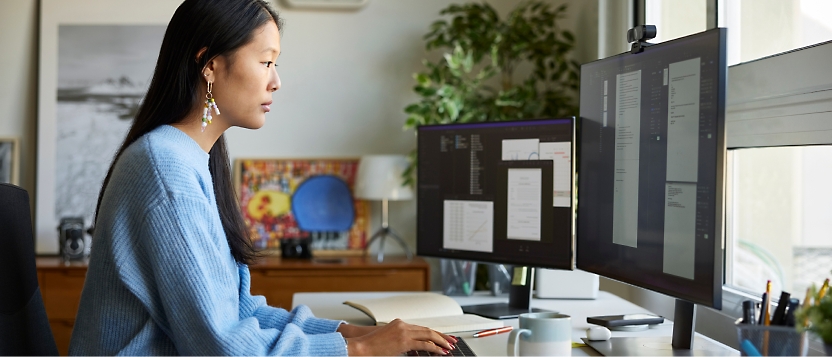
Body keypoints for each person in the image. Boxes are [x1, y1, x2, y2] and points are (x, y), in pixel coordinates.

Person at [68, 0, 456, 355]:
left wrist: (351, 332)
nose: (276, 81)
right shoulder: (165, 170)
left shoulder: (187, 159)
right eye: (266, 62)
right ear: (210, 64)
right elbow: (224, 347)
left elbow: (238, 310)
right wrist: (362, 351)